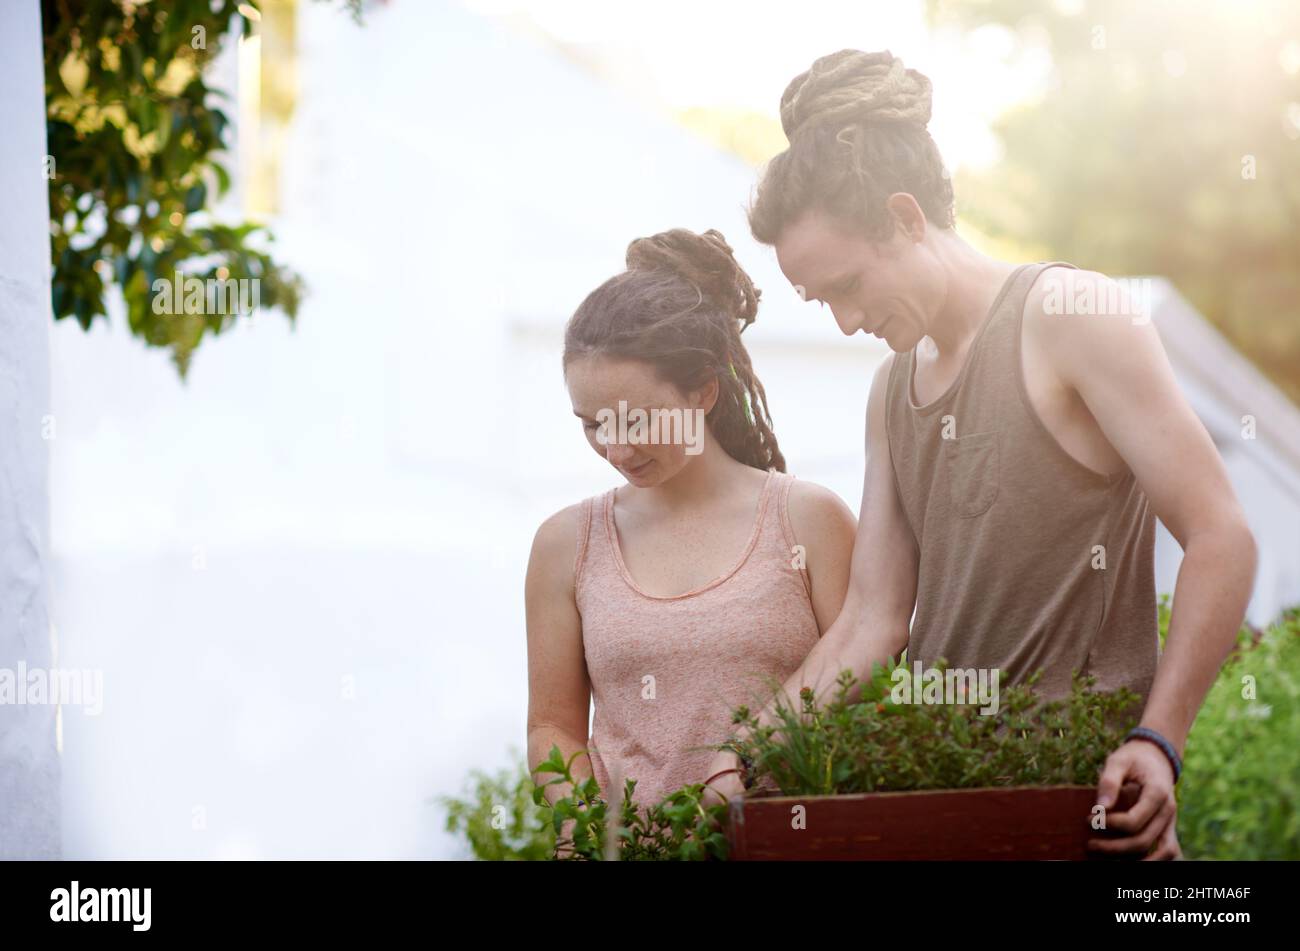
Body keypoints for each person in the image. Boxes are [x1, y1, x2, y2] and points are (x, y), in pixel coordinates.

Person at [702, 49, 1257, 861]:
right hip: (944, 801)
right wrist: (744, 751)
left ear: (905, 216)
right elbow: (871, 617)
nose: (847, 321)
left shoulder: (1072, 316)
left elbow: (1221, 536)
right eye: (824, 301)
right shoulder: (892, 390)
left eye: (850, 285)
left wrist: (1158, 741)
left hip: (1079, 804)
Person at [525, 228, 857, 830]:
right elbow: (553, 726)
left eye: (637, 420)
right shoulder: (565, 544)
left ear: (704, 391)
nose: (616, 448)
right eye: (593, 423)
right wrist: (585, 824)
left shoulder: (808, 520)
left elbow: (867, 689)